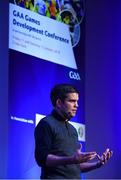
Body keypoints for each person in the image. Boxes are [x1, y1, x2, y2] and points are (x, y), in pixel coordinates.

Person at [34, 83, 113, 179]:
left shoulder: (72, 130)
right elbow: (42, 159)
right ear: (59, 103)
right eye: (72, 101)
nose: (77, 105)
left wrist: (97, 164)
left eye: (77, 101)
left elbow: (76, 166)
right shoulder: (46, 124)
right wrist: (72, 159)